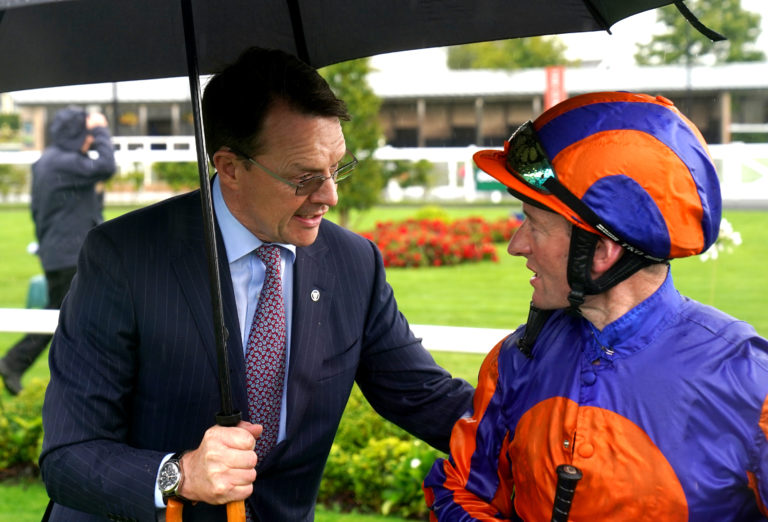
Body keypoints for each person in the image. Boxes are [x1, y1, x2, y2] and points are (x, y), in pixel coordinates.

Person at [40, 47, 474, 521]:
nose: (329, 195)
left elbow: (427, 399)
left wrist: (546, 428)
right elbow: (69, 456)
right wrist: (180, 475)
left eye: (337, 169)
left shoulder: (355, 262)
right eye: (305, 178)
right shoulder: (123, 256)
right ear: (229, 167)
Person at [423, 91, 768, 521]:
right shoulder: (514, 359)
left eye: (534, 225)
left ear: (601, 251)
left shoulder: (752, 382)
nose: (516, 246)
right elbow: (458, 489)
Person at [0, 107, 115, 395]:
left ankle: (71, 380)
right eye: (87, 134)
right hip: (70, 254)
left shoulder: (47, 162)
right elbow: (106, 166)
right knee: (68, 316)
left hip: (57, 251)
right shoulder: (66, 163)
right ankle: (14, 363)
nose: (90, 140)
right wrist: (101, 130)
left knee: (73, 316)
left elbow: (40, 210)